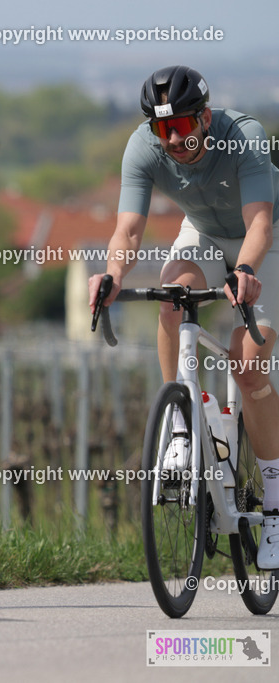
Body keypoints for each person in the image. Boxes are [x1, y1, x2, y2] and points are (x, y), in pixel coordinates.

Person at [88, 65, 279, 569]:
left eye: (182, 128)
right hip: (205, 234)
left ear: (206, 117)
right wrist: (110, 276)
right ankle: (179, 420)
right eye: (161, 130)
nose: (172, 140)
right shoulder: (143, 148)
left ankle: (277, 504)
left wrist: (244, 270)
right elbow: (128, 231)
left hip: (267, 241)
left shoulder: (245, 137)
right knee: (174, 297)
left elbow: (260, 222)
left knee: (248, 361)